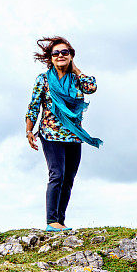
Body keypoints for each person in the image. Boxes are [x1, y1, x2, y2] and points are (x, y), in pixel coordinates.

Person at [25, 36, 101, 232]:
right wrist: (29, 130)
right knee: (56, 174)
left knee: (68, 178)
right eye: (56, 53)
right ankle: (51, 221)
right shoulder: (43, 80)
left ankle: (60, 221)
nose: (60, 55)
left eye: (64, 52)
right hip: (50, 134)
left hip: (74, 135)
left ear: (71, 56)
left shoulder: (77, 79)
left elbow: (91, 88)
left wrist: (76, 69)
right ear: (50, 58)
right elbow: (34, 106)